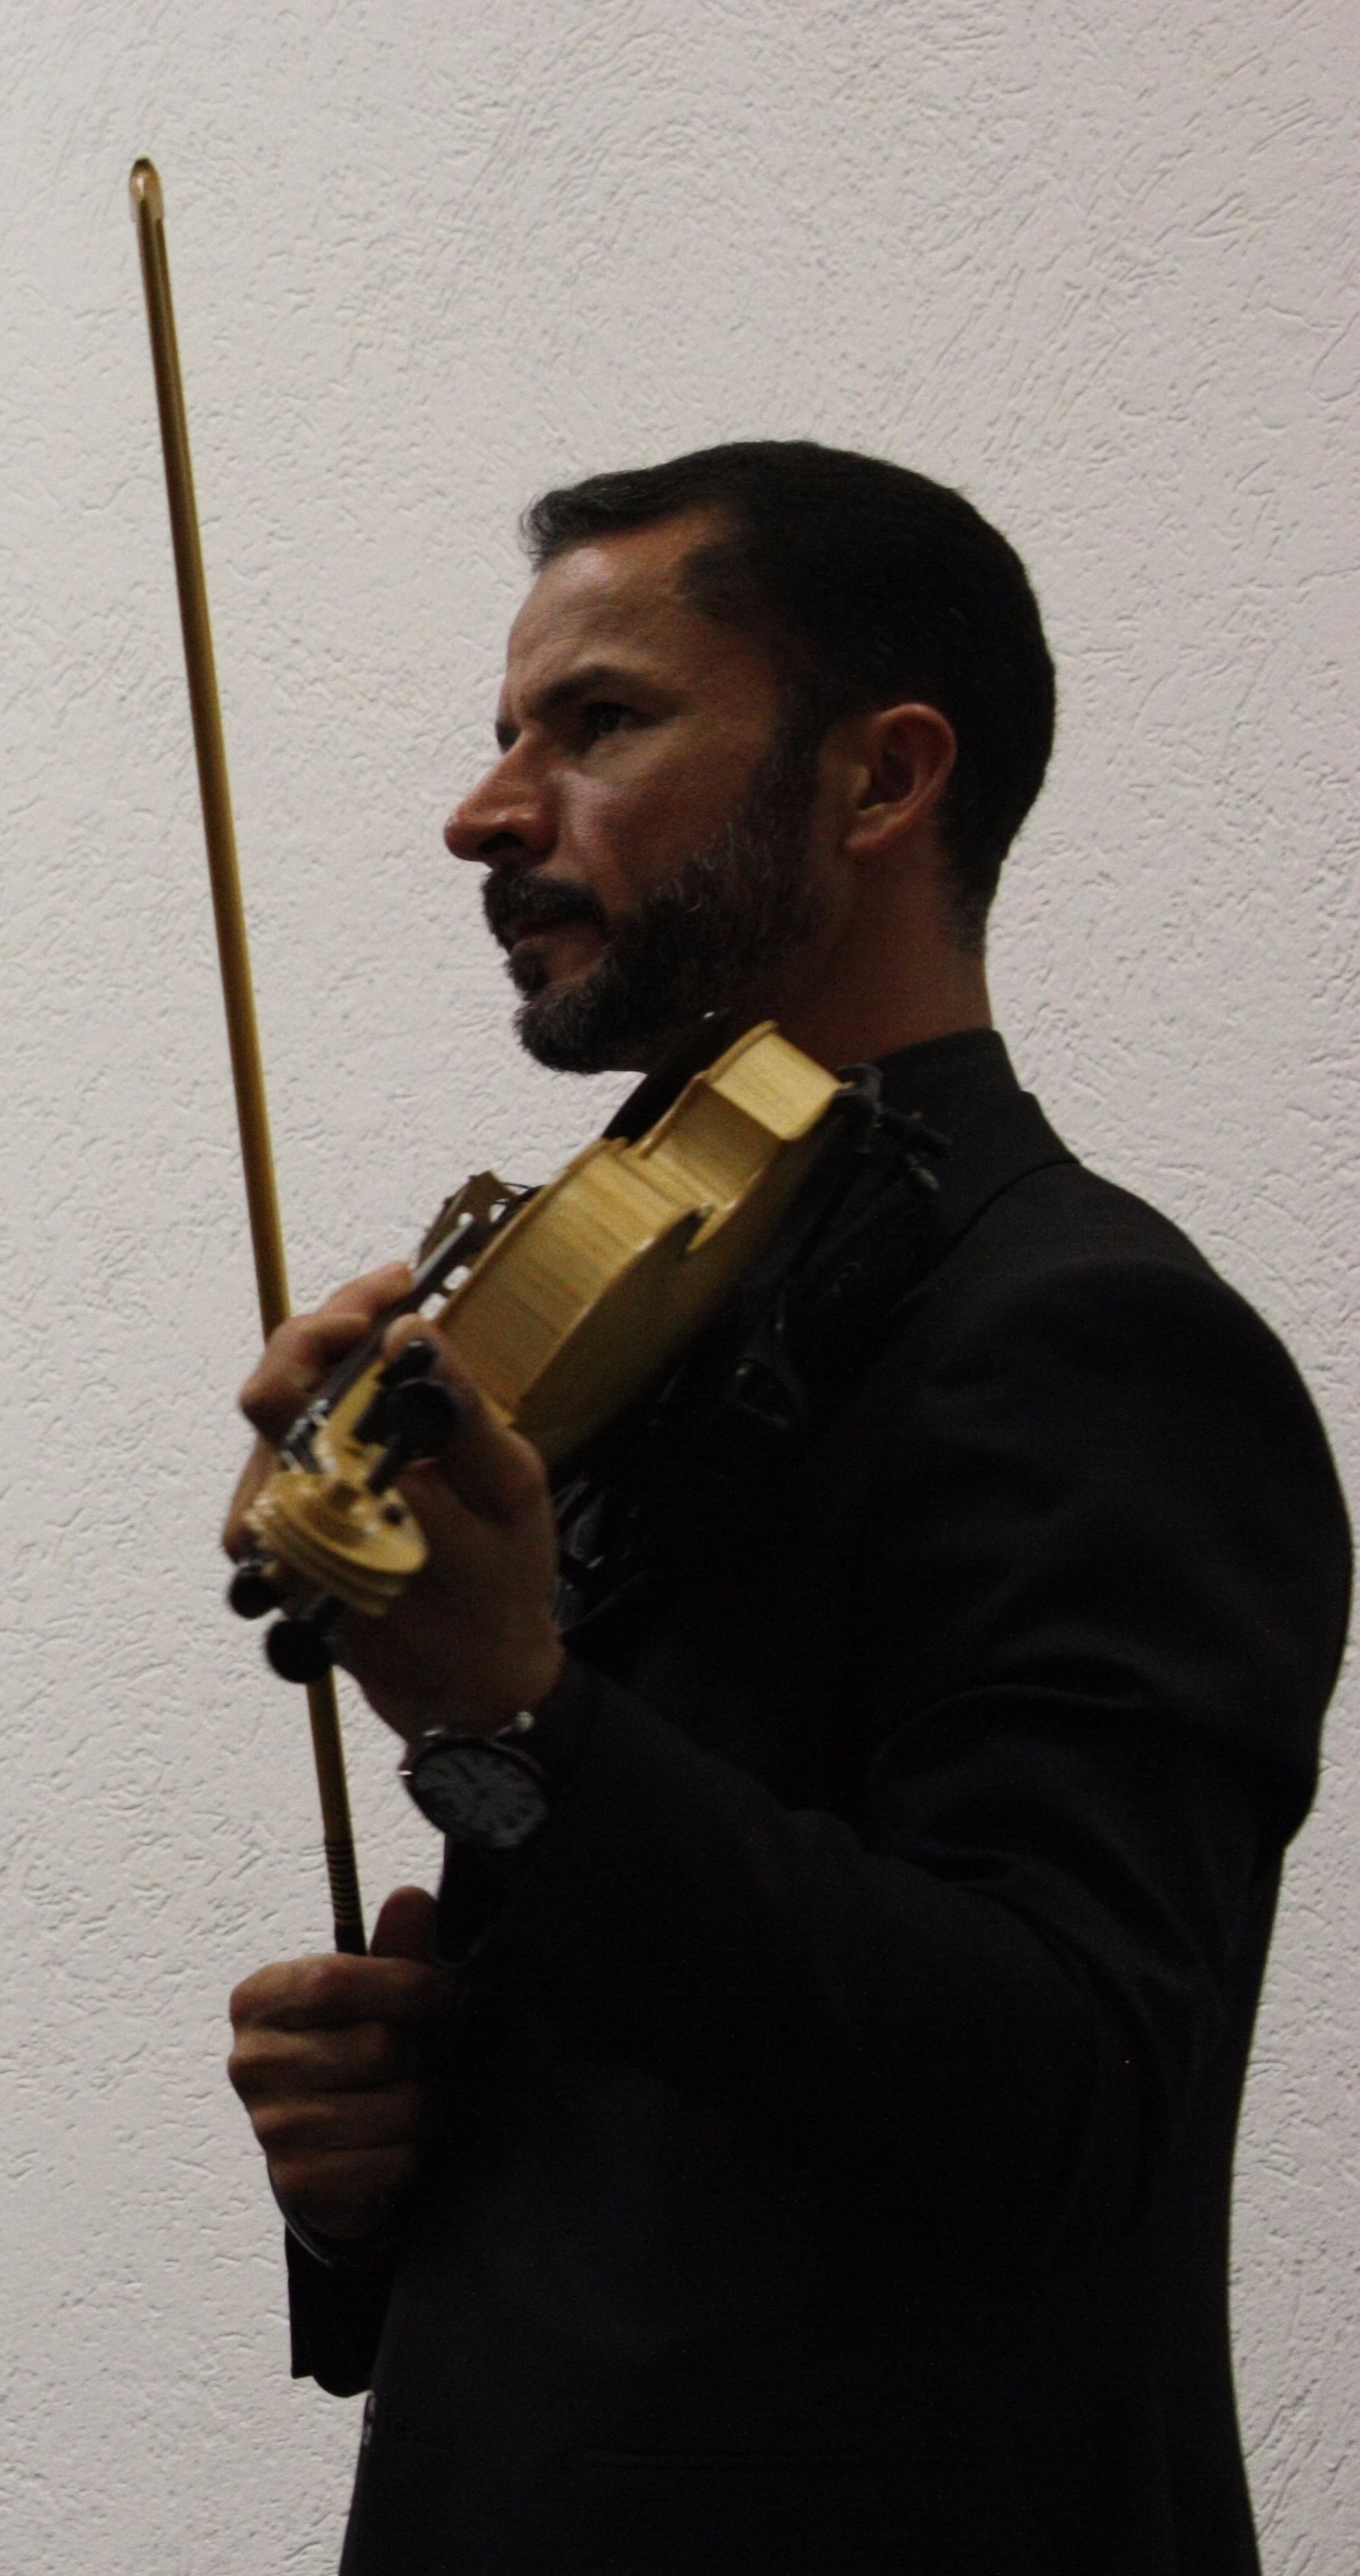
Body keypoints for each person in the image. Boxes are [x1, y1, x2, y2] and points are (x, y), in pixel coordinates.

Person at [218, 444, 1344, 2573]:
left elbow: (1068, 2109)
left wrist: (513, 1718)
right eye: (502, 733)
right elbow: (702, 2088)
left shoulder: (1093, 1335)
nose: (485, 811)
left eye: (599, 722)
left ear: (881, 777)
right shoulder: (632, 1306)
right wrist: (382, 2166)